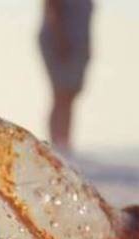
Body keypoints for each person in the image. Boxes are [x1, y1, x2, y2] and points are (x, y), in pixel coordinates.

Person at [39, 0, 94, 155]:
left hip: (78, 43)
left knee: (70, 94)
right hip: (62, 40)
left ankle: (64, 142)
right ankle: (58, 144)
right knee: (61, 93)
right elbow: (52, 7)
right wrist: (59, 38)